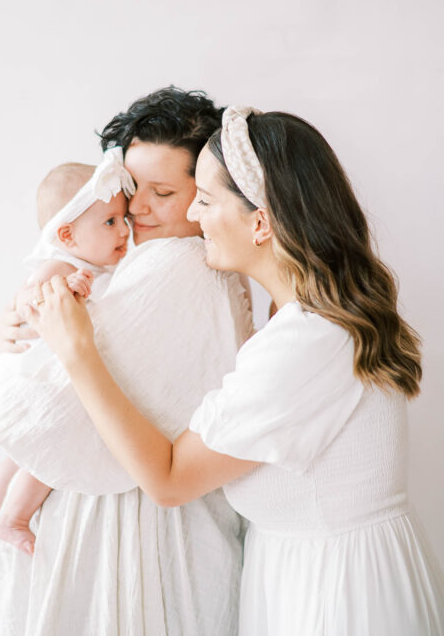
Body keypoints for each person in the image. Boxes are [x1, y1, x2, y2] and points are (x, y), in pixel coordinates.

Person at [28, 106, 444, 634]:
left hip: (335, 593)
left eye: (204, 199)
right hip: (310, 573)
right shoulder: (297, 318)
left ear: (260, 222)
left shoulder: (307, 342)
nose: (193, 215)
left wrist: (76, 351)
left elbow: (170, 480)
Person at [0, 86, 251, 636]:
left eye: (162, 192)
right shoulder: (167, 265)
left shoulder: (177, 265)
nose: (134, 208)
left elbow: (28, 415)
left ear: (205, 190)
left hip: (131, 534)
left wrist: (7, 372)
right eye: (131, 188)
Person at [0, 151, 132, 557]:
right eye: (111, 221)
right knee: (52, 445)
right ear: (67, 236)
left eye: (124, 219)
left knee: (25, 451)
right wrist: (64, 289)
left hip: (54, 374)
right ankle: (13, 517)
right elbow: (27, 301)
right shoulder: (59, 266)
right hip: (42, 377)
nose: (124, 230)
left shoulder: (98, 269)